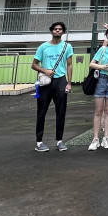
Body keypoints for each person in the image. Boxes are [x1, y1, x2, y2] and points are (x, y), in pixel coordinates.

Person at [31, 21, 73, 152]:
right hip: (45, 82)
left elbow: (70, 64)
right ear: (51, 31)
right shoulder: (43, 47)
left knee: (61, 111)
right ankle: (39, 141)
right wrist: (45, 71)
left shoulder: (67, 46)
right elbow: (34, 64)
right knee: (41, 111)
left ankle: (60, 140)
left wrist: (69, 82)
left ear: (63, 32)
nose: (58, 31)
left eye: (60, 29)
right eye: (55, 29)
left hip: (60, 80)